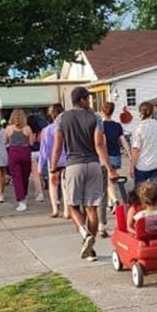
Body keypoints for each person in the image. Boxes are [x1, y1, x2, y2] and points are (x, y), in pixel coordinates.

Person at [52, 87, 119, 261]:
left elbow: (58, 146)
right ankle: (91, 246)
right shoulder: (95, 118)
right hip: (94, 165)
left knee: (73, 205)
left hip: (74, 165)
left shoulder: (62, 118)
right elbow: (99, 144)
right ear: (81, 100)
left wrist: (52, 167)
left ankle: (84, 234)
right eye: (88, 99)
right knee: (92, 207)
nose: (89, 102)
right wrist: (110, 168)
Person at [130, 101, 157, 205]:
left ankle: (141, 217)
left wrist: (132, 166)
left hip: (141, 165)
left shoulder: (139, 128)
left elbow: (136, 149)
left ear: (140, 113)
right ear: (152, 112)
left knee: (139, 195)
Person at [38, 104, 68, 218]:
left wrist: (41, 165)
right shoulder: (66, 128)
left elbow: (44, 149)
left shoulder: (46, 130)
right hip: (66, 160)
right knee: (65, 186)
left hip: (53, 161)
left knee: (53, 185)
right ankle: (67, 210)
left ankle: (55, 209)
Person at [102, 102, 130, 211]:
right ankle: (110, 203)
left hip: (106, 155)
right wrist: (129, 153)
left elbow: (101, 142)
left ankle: (114, 200)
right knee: (112, 179)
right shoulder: (117, 125)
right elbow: (123, 141)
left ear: (102, 111)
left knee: (108, 180)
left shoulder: (101, 125)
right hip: (116, 155)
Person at [4, 108, 34, 212]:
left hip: (13, 152)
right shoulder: (28, 129)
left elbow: (5, 141)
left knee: (16, 178)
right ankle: (24, 195)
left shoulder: (9, 129)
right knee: (25, 176)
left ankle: (21, 200)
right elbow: (31, 143)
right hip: (25, 151)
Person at [27, 111, 46, 203]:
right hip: (41, 152)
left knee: (35, 175)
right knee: (40, 173)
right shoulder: (40, 131)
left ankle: (39, 192)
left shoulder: (28, 130)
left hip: (32, 153)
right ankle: (42, 186)